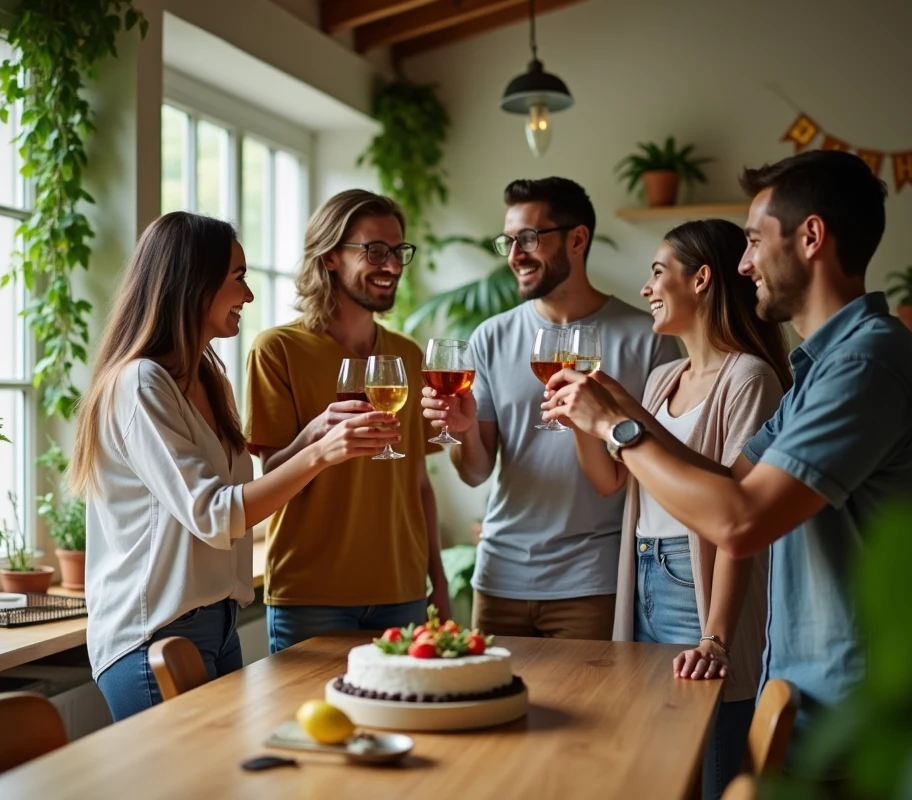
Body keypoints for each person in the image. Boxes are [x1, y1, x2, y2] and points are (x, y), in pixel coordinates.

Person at [543, 150, 912, 736]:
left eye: (755, 241)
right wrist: (619, 408)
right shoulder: (821, 368)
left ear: (811, 237)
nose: (743, 264)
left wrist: (617, 429)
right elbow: (728, 483)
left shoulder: (866, 366)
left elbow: (739, 523)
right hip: (809, 694)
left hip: (861, 712)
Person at [70, 212, 394, 721]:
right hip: (153, 633)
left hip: (216, 625)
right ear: (193, 283)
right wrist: (319, 455)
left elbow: (243, 497)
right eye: (237, 278)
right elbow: (218, 515)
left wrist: (311, 437)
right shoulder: (139, 384)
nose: (246, 296)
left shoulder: (202, 378)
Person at [567, 218, 790, 800]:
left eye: (658, 272)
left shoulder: (749, 378)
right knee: (659, 765)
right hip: (642, 571)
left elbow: (740, 519)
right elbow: (611, 480)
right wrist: (582, 419)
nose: (646, 287)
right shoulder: (663, 377)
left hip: (698, 584)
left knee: (713, 763)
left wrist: (716, 637)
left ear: (702, 280)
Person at [421, 177, 679, 639]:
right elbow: (476, 472)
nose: (514, 254)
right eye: (509, 240)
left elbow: (663, 468)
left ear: (577, 239)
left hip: (593, 580)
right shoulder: (491, 337)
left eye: (529, 238)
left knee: (589, 712)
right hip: (499, 578)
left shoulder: (649, 338)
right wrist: (463, 431)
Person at [245, 190, 448, 654]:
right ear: (331, 256)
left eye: (399, 252)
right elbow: (270, 475)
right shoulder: (276, 350)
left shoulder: (409, 355)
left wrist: (438, 583)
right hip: (311, 596)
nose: (393, 265)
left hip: (403, 594)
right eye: (375, 250)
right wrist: (316, 434)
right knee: (308, 727)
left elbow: (418, 483)